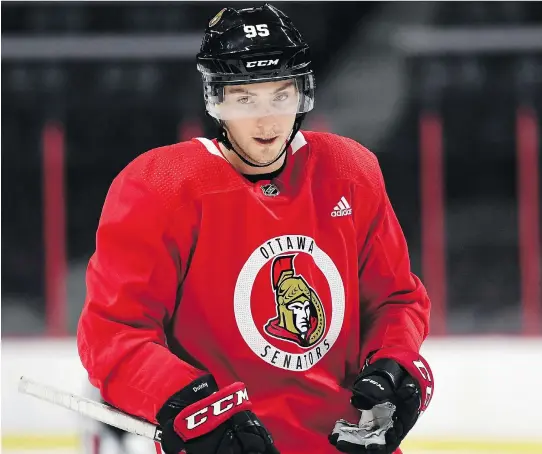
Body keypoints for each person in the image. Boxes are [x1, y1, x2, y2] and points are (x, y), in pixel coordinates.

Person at [77, 4, 434, 454]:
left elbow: (395, 300)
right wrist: (189, 402)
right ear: (215, 99)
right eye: (245, 98)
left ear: (302, 95)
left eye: (280, 97)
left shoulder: (349, 171)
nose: (266, 121)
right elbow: (114, 333)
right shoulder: (159, 188)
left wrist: (395, 364)